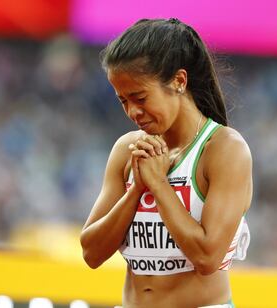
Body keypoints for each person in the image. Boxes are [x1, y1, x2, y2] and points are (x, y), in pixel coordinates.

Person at [80, 18, 252, 308]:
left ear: (179, 81)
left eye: (140, 97)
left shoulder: (224, 149)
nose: (133, 111)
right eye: (123, 100)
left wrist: (159, 185)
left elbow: (207, 257)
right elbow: (91, 253)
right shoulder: (128, 150)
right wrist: (136, 190)